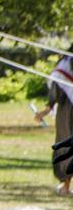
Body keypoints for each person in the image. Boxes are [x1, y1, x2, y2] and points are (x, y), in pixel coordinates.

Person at [33, 53, 73, 195]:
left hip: (67, 112)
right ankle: (66, 184)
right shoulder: (67, 64)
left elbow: (55, 89)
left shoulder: (65, 65)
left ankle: (66, 184)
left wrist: (46, 109)